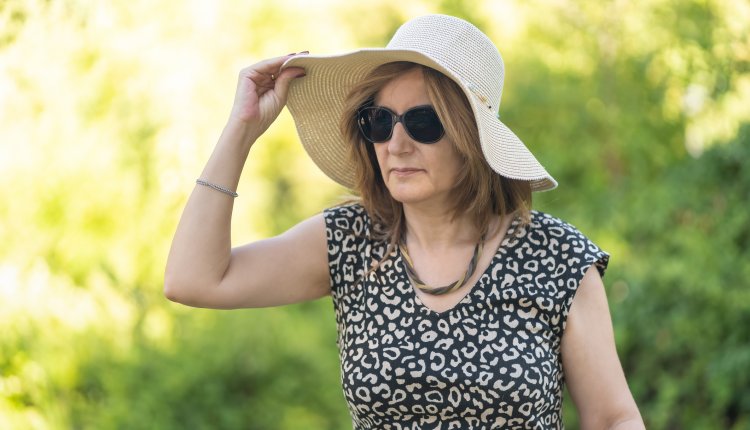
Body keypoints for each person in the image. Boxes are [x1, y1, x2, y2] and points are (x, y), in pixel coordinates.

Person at [165, 14, 644, 429]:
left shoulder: (556, 258)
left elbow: (613, 419)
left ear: (472, 136)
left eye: (423, 123)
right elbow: (193, 280)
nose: (396, 143)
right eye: (378, 121)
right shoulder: (350, 240)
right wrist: (241, 130)